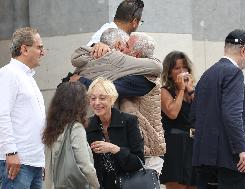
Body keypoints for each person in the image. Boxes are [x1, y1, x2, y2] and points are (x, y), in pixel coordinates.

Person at [72, 30, 166, 174]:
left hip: (147, 151)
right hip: (131, 150)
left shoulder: (145, 77)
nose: (121, 49)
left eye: (127, 45)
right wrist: (97, 46)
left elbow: (110, 89)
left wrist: (81, 80)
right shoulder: (130, 70)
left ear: (137, 55)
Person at [191, 29, 245, 189]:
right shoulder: (234, 73)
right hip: (231, 161)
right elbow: (232, 114)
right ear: (244, 50)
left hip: (205, 159)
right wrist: (242, 149)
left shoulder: (207, 75)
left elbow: (193, 116)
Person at [0, 27, 46, 189]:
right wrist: (10, 152)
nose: (43, 52)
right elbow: (1, 117)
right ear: (24, 49)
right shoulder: (8, 74)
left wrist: (40, 160)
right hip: (17, 162)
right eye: (39, 47)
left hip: (33, 162)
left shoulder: (28, 77)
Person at [86, 77, 144, 188]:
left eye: (102, 98)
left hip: (127, 184)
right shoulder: (87, 126)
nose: (97, 103)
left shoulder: (129, 121)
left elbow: (138, 162)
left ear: (112, 99)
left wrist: (115, 149)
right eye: (93, 98)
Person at [42, 81, 100, 189]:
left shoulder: (52, 128)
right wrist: (96, 186)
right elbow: (85, 166)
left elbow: (49, 166)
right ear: (79, 103)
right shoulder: (76, 128)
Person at [159, 51, 196, 189]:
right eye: (177, 68)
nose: (182, 71)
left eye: (185, 67)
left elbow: (202, 114)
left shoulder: (193, 91)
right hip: (175, 145)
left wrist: (190, 90)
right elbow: (172, 113)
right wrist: (181, 90)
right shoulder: (164, 91)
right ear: (169, 72)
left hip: (193, 144)